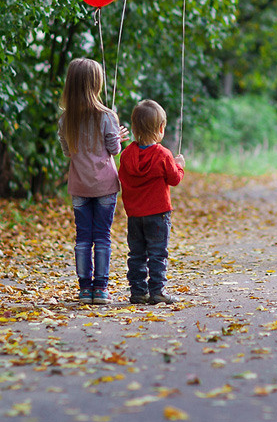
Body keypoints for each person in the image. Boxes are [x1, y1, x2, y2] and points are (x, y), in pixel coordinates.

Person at [58, 58, 123, 304]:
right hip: (105, 185)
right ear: (96, 84)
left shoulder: (65, 120)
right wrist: (117, 138)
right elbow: (114, 150)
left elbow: (67, 152)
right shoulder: (107, 116)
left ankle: (85, 289)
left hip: (79, 186)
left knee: (83, 237)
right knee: (102, 237)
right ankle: (101, 289)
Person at [119, 99, 185, 305]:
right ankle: (157, 290)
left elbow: (123, 178)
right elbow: (174, 179)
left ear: (134, 127)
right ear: (161, 128)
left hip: (135, 216)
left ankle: (138, 291)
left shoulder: (127, 154)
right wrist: (179, 165)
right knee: (157, 253)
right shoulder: (164, 155)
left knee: (136, 254)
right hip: (158, 214)